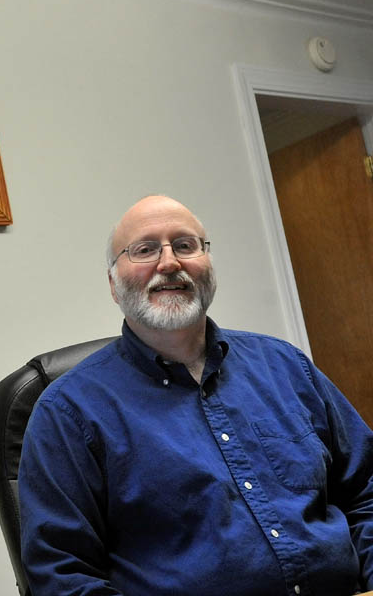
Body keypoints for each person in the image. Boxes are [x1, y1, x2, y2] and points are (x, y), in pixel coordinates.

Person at [18, 195, 373, 596]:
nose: (169, 263)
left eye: (185, 246)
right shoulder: (68, 412)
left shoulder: (286, 366)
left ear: (208, 266)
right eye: (145, 249)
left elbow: (366, 488)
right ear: (113, 285)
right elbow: (63, 576)